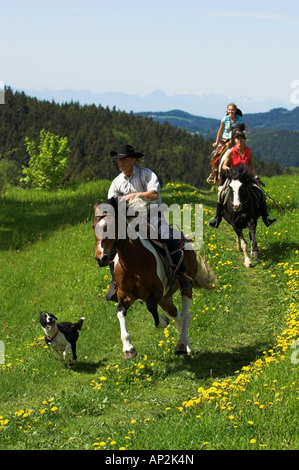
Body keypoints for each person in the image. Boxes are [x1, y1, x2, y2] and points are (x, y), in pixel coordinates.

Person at [105, 144, 191, 301]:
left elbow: (153, 195)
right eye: (119, 160)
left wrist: (133, 196)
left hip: (152, 215)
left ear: (133, 160)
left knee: (168, 237)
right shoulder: (116, 182)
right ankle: (115, 282)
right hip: (129, 220)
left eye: (124, 159)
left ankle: (181, 276)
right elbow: (111, 203)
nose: (120, 163)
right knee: (111, 246)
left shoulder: (147, 174)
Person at [208, 130, 277, 228]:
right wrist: (229, 170)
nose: (239, 140)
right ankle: (217, 219)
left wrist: (256, 177)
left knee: (261, 193)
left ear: (244, 140)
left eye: (241, 138)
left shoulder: (250, 152)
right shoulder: (230, 152)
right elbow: (224, 166)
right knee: (221, 194)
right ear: (235, 140)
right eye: (238, 138)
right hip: (233, 177)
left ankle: (266, 218)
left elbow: (251, 167)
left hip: (246, 178)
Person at [207, 103, 244, 184]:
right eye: (229, 110)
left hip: (235, 140)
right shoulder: (225, 119)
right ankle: (214, 174)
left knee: (244, 155)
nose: (231, 111)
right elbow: (220, 130)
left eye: (232, 109)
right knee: (215, 154)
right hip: (224, 140)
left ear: (235, 110)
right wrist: (216, 142)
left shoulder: (239, 119)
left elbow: (241, 130)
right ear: (227, 110)